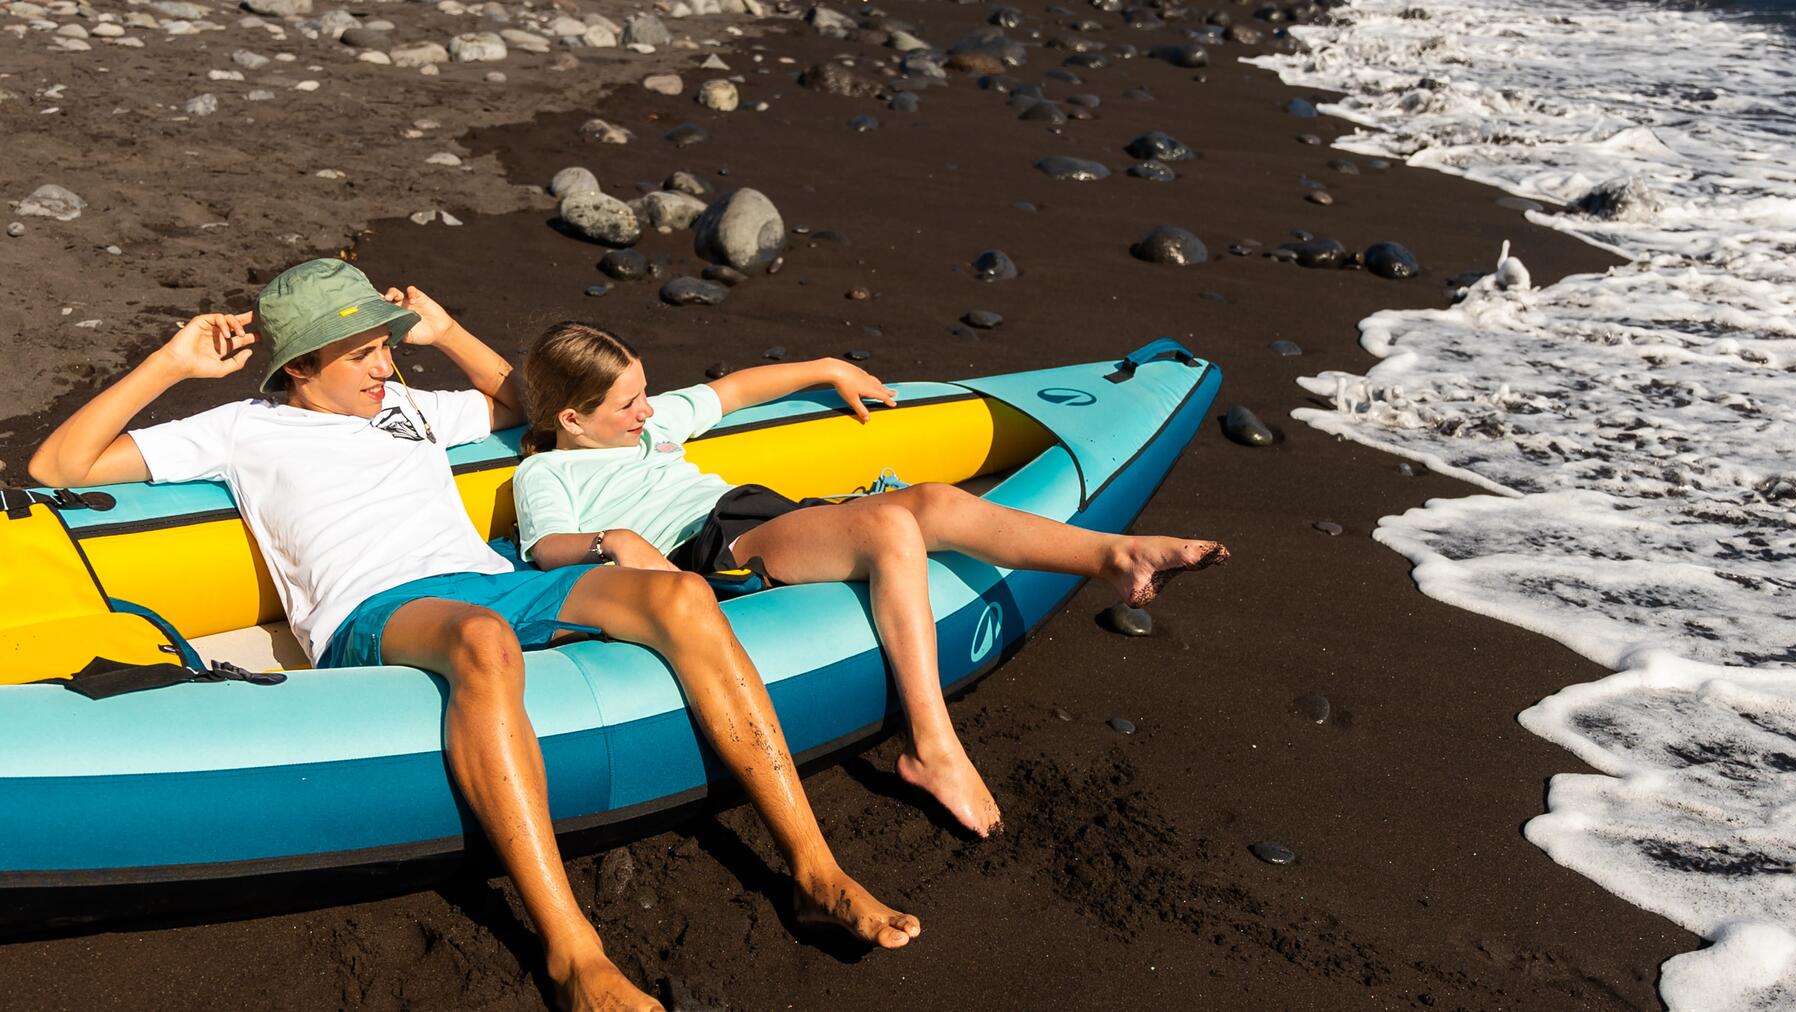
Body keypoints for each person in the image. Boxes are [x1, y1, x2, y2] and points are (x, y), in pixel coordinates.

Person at [27, 259, 917, 1012]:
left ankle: (812, 870)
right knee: (486, 642)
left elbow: (525, 407)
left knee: (680, 599)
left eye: (384, 344)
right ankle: (574, 952)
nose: (384, 364)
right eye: (363, 351)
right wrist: (171, 362)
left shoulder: (407, 408)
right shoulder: (240, 429)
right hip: (373, 610)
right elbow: (57, 466)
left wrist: (445, 334)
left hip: (488, 579)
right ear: (299, 365)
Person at [511, 322, 1231, 839]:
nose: (647, 410)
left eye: (644, 391)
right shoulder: (548, 470)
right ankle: (932, 746)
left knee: (939, 502)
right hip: (708, 546)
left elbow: (730, 391)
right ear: (571, 418)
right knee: (891, 529)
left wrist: (826, 365)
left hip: (753, 512)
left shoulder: (649, 423)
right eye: (628, 403)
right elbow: (545, 548)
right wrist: (615, 539)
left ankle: (1114, 558)